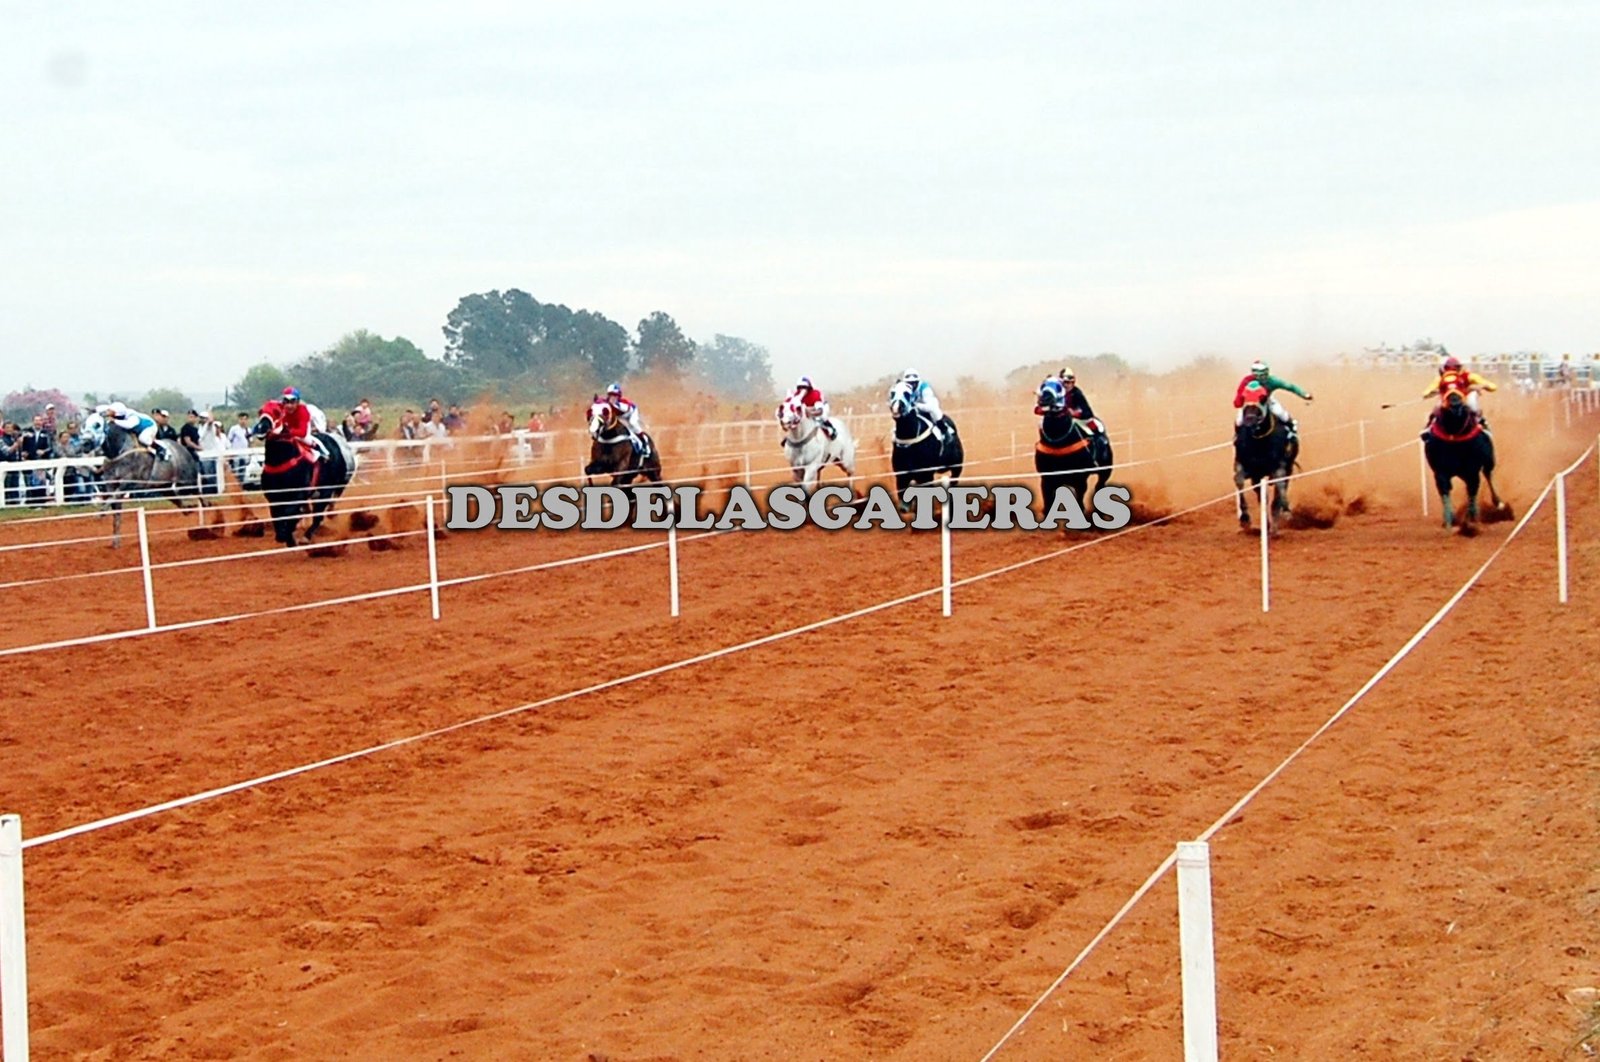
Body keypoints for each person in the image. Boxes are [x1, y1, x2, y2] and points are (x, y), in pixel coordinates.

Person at [1422, 355, 1498, 437]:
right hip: (1448, 399)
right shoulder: (1441, 379)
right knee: (1437, 407)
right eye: (1448, 368)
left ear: (1460, 368)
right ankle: (1429, 427)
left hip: (1465, 397)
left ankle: (1482, 424)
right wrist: (1434, 391)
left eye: (1455, 368)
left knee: (1472, 405)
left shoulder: (1469, 376)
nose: (1452, 370)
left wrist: (1483, 386)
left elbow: (1493, 387)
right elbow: (1426, 392)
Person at [1233, 361, 1312, 438]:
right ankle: (1237, 437)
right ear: (1254, 374)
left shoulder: (1272, 381)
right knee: (1239, 421)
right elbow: (1239, 393)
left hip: (1267, 401)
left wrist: (1304, 394)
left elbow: (1290, 387)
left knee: (1282, 415)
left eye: (1264, 374)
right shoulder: (1246, 381)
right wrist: (1239, 402)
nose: (1263, 377)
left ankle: (1292, 433)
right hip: (1249, 403)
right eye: (1260, 375)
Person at [897, 369, 955, 442]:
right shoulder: (902, 389)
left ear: (918, 382)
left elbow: (929, 406)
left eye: (914, 383)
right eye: (909, 383)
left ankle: (945, 431)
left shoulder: (924, 388)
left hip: (928, 407)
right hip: (913, 409)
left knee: (935, 412)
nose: (912, 386)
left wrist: (916, 406)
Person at [602, 382, 649, 456]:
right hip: (621, 416)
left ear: (618, 396)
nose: (613, 397)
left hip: (631, 413)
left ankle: (644, 441)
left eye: (615, 395)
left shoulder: (622, 404)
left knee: (632, 423)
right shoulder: (607, 403)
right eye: (611, 395)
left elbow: (623, 411)